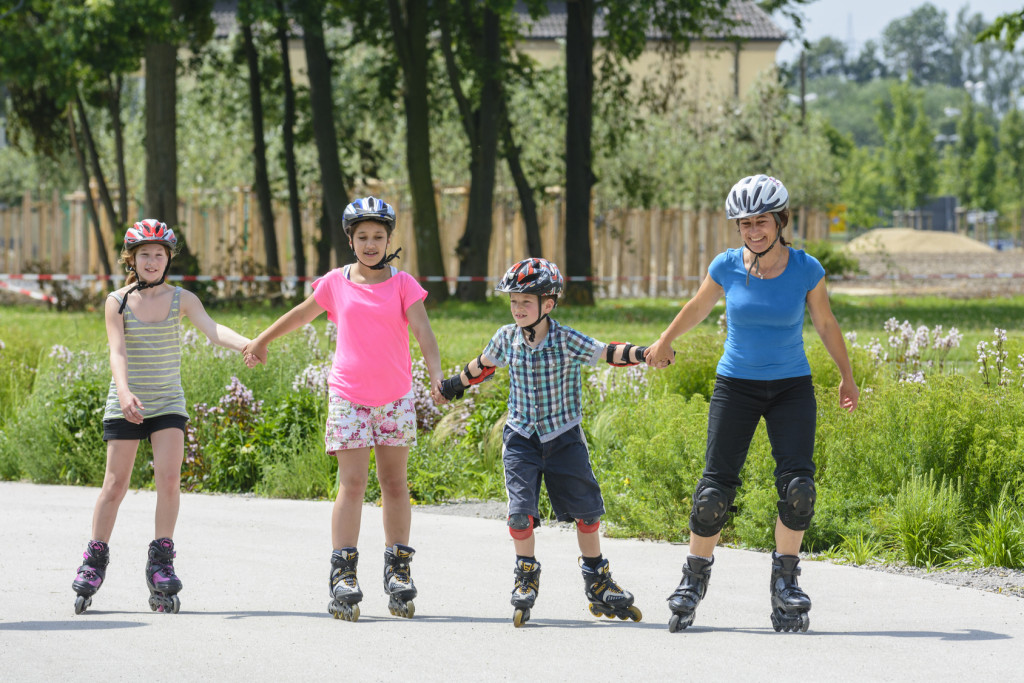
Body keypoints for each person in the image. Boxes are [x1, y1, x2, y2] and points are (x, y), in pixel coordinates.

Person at [646, 174, 859, 633]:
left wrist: (847, 376)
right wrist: (665, 339)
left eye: (761, 221)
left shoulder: (806, 269)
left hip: (791, 387)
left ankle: (786, 584)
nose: (753, 231)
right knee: (713, 494)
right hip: (736, 386)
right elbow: (698, 306)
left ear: (781, 221)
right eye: (744, 223)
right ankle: (692, 580)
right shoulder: (726, 265)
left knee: (799, 489)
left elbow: (825, 323)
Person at [243, 196, 443, 622]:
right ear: (350, 241)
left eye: (378, 236)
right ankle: (344, 574)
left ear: (389, 240)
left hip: (395, 399)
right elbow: (301, 316)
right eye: (362, 236)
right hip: (349, 399)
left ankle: (398, 569)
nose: (370, 244)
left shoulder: (403, 284)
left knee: (395, 483)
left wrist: (437, 377)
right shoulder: (336, 282)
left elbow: (424, 333)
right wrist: (261, 340)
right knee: (352, 484)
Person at [437, 257, 664, 627]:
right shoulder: (506, 337)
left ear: (549, 303)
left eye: (526, 301)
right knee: (519, 515)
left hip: (563, 437)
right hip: (521, 438)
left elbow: (607, 352)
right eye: (514, 301)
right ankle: (526, 576)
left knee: (587, 514)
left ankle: (598, 582)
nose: (518, 308)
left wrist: (644, 354)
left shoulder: (566, 339)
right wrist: (452, 386)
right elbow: (483, 365)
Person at [71, 219, 250, 615]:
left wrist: (246, 344)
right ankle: (94, 558)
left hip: (168, 402)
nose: (152, 261)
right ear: (131, 259)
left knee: (169, 480)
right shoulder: (117, 301)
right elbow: (117, 351)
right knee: (115, 484)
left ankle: (161, 562)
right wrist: (123, 391)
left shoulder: (182, 299)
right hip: (127, 401)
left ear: (168, 259)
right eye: (144, 255)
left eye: (159, 254)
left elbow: (213, 329)